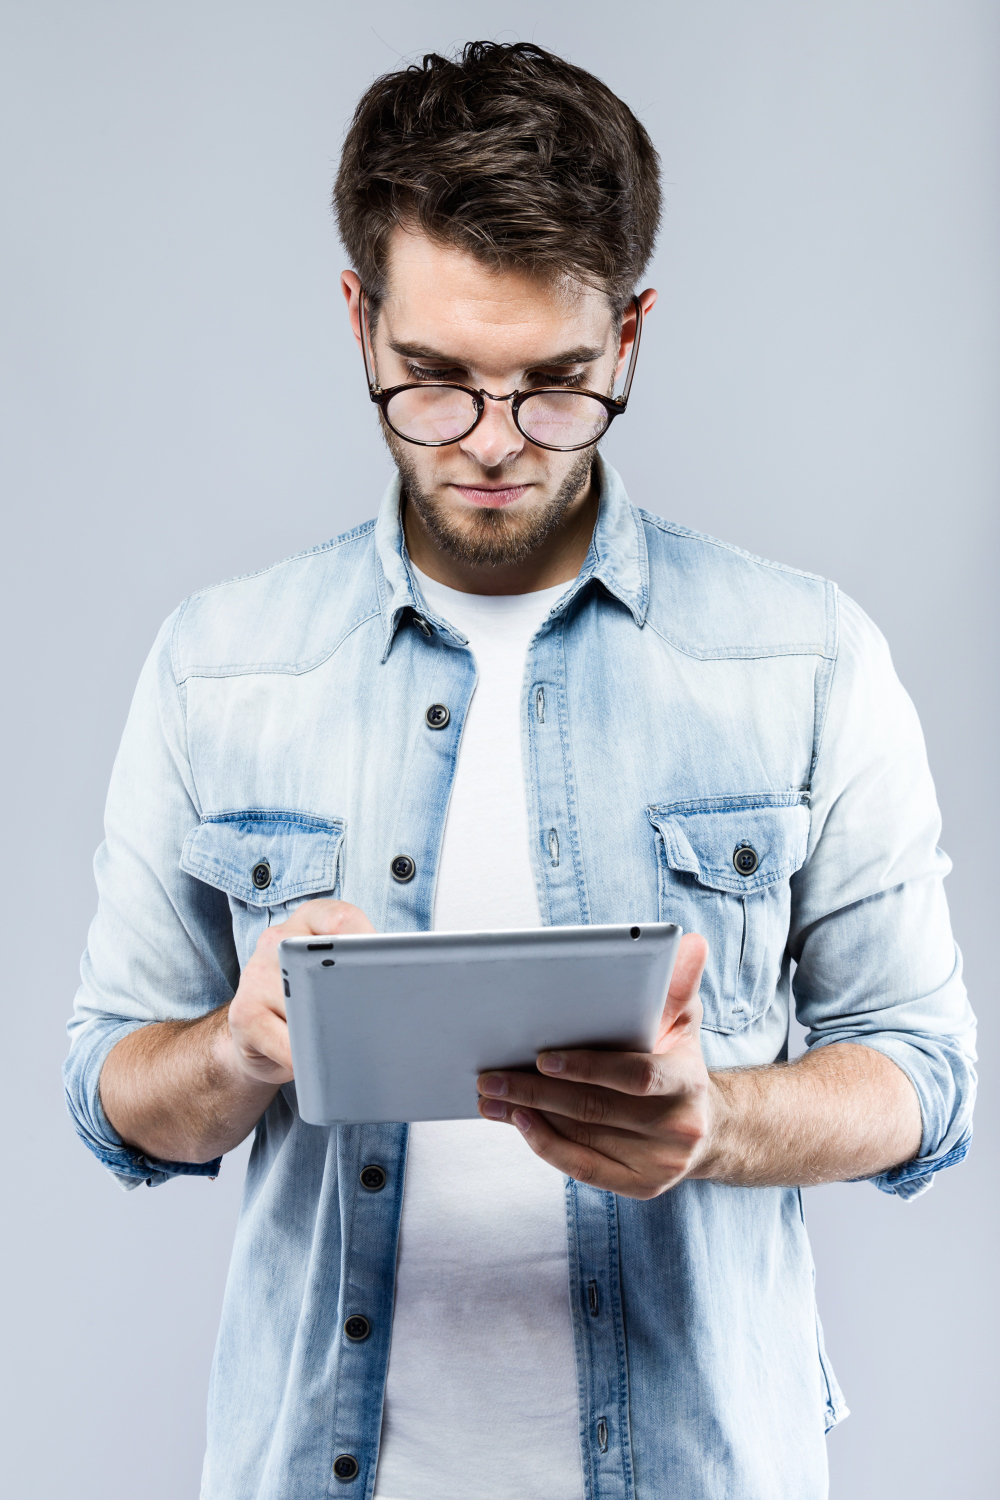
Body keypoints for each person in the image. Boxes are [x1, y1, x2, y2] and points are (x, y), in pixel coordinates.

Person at [64, 41, 976, 1500]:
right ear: (360, 321)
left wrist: (716, 1120)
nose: (493, 445)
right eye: (434, 382)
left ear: (631, 336)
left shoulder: (805, 657)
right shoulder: (216, 666)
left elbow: (928, 1080)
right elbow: (111, 1095)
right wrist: (235, 1049)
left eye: (554, 385)